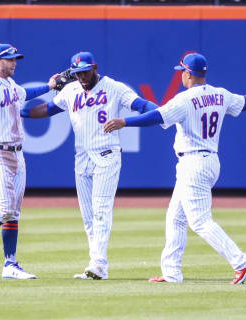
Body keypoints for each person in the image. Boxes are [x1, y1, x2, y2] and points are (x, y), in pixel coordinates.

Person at [104, 52, 246, 285]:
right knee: (176, 218)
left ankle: (241, 261)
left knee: (199, 221)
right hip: (208, 161)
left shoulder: (184, 100)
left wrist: (125, 121)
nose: (180, 76)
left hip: (194, 164)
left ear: (187, 73)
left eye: (181, 73)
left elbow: (156, 116)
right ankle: (171, 273)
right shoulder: (220, 94)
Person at [21, 51, 159, 280]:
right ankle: (98, 266)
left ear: (94, 67)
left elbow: (143, 105)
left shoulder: (114, 87)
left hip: (107, 154)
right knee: (88, 216)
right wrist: (17, 111)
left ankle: (97, 264)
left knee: (101, 210)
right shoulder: (70, 89)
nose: (82, 77)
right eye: (77, 73)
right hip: (81, 157)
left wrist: (163, 112)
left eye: (85, 71)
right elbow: (44, 110)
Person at [0, 43, 58, 279]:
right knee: (4, 208)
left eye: (16, 58)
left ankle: (10, 265)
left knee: (13, 212)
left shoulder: (13, 86)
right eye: (9, 59)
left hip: (17, 154)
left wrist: (50, 86)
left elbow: (28, 93)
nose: (14, 62)